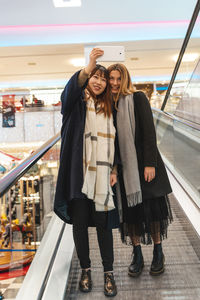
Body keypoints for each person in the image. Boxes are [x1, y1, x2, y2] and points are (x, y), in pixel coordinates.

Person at [54, 49, 119, 297]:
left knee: (103, 226)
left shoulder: (109, 109)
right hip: (78, 174)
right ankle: (86, 269)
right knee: (79, 225)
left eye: (103, 79)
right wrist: (88, 65)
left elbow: (117, 142)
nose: (100, 82)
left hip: (102, 176)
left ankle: (109, 272)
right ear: (88, 77)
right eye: (96, 76)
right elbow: (68, 92)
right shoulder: (75, 104)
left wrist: (114, 169)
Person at [107, 63, 173, 277]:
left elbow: (148, 133)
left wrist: (150, 163)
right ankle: (137, 254)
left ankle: (158, 251)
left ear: (125, 79)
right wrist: (114, 169)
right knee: (131, 215)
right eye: (112, 79)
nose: (115, 83)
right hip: (125, 169)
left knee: (152, 212)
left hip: (145, 166)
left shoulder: (138, 98)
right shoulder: (108, 105)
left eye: (119, 78)